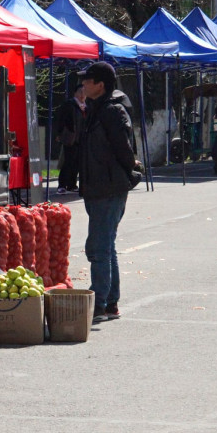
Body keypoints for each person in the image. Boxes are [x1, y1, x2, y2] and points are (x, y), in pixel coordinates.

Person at [78, 62, 139, 323]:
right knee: (105, 245)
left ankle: (100, 303)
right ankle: (110, 301)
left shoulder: (111, 111)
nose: (83, 85)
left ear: (100, 85)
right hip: (97, 186)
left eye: (87, 81)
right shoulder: (95, 109)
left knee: (99, 247)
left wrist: (131, 172)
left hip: (109, 186)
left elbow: (124, 150)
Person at [54, 85, 86, 194]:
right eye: (80, 92)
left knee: (78, 162)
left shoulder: (87, 106)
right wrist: (59, 133)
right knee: (68, 161)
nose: (82, 95)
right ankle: (62, 185)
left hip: (82, 138)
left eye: (84, 92)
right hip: (70, 137)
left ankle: (72, 185)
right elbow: (61, 119)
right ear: (75, 93)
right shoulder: (69, 104)